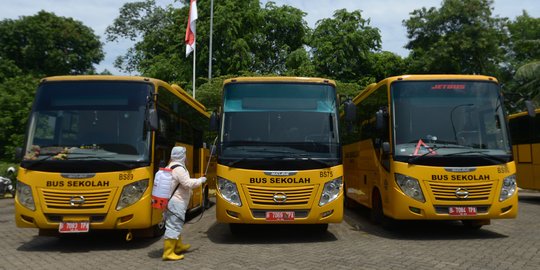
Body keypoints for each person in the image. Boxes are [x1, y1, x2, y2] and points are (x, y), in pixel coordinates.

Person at [162, 146, 206, 261]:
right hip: (177, 201)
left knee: (175, 224)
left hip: (171, 201)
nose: (186, 156)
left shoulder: (170, 165)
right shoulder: (179, 168)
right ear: (182, 155)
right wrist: (200, 180)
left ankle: (178, 246)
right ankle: (168, 252)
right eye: (185, 154)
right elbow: (187, 183)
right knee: (174, 226)